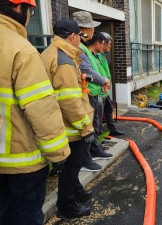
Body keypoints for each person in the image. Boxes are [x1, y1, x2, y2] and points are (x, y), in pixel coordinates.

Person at [0, 1, 70, 224]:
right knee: (24, 217)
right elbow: (41, 108)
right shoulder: (20, 49)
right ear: (19, 8)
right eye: (31, 10)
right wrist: (58, 153)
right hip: (20, 160)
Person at [41, 19, 95, 218]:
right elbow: (70, 102)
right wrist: (86, 128)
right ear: (73, 37)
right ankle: (67, 206)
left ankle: (77, 192)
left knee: (71, 168)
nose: (81, 42)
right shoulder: (64, 61)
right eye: (79, 38)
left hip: (58, 124)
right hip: (71, 128)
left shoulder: (50, 53)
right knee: (71, 168)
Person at [73, 11, 113, 172]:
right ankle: (85, 158)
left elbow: (94, 71)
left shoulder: (85, 50)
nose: (92, 32)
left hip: (94, 91)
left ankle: (93, 151)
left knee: (94, 125)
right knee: (87, 127)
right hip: (87, 93)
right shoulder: (81, 50)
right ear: (83, 29)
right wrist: (103, 80)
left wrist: (103, 82)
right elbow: (86, 70)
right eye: (91, 28)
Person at [99, 31, 125, 136]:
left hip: (104, 88)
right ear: (102, 43)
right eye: (109, 44)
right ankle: (99, 135)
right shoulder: (96, 55)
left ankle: (112, 129)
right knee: (99, 114)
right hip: (99, 89)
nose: (110, 46)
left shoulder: (103, 55)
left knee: (108, 109)